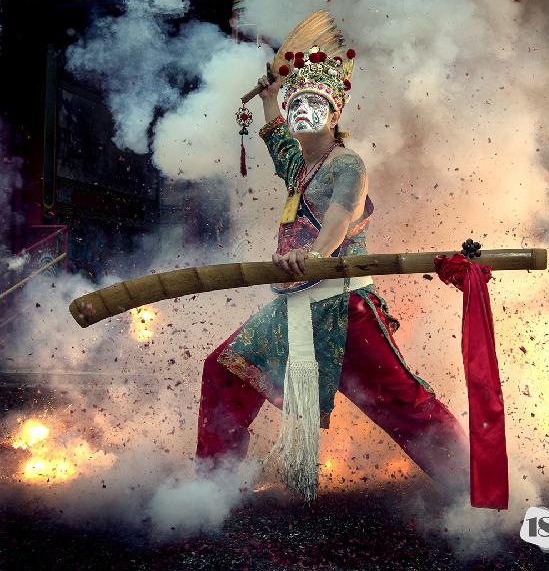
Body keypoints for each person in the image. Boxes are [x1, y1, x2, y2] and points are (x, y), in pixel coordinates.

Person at [196, 46, 470, 500]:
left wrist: (316, 255)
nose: (303, 110)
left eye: (314, 103)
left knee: (402, 402)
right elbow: (277, 141)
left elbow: (341, 218)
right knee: (224, 370)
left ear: (334, 113)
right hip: (293, 308)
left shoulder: (348, 164)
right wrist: (270, 97)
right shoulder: (300, 166)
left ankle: (474, 485)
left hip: (344, 308)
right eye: (296, 104)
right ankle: (209, 491)